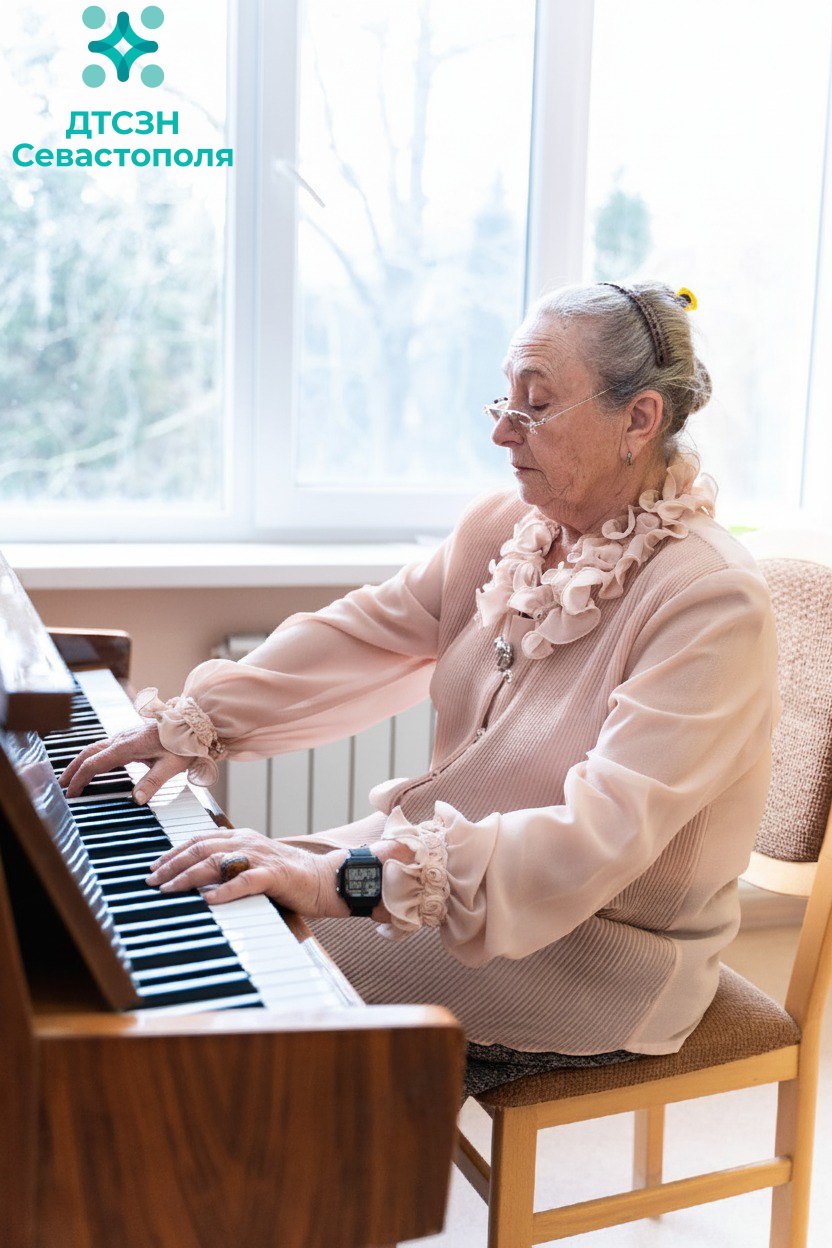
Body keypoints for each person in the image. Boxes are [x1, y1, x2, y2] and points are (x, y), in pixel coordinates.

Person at [60, 280, 780, 1098]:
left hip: (596, 949)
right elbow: (364, 632)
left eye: (537, 406)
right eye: (503, 400)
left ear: (639, 419)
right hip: (444, 874)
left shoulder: (711, 599)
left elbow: (596, 837)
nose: (505, 432)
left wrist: (346, 879)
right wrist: (193, 720)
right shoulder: (506, 526)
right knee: (207, 898)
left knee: (239, 969)